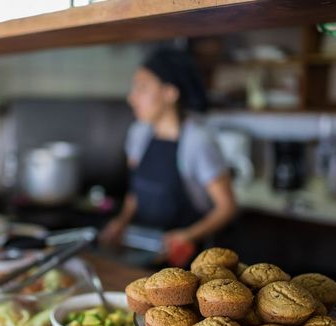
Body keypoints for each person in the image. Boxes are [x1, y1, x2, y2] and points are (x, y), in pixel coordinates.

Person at [100, 47, 237, 265]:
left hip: (186, 259)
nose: (132, 97)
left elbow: (227, 207)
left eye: (142, 88)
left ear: (170, 93)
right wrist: (121, 221)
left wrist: (187, 236)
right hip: (143, 250)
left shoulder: (196, 141)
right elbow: (137, 191)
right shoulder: (139, 133)